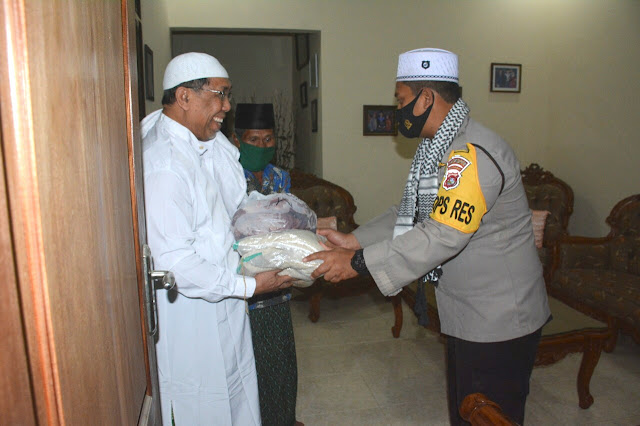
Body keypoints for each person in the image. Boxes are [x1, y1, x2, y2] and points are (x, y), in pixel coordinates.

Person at [305, 48, 550, 425]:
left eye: (401, 100)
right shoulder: (438, 147)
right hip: (470, 311)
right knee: (465, 410)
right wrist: (355, 241)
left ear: (426, 99)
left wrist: (358, 264)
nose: (397, 110)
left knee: (486, 414)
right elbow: (411, 213)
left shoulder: (470, 153)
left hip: (499, 319)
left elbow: (442, 235)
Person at [141, 52, 294, 426]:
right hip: (193, 316)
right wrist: (248, 285)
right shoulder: (164, 163)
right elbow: (175, 261)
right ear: (184, 97)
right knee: (205, 405)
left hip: (226, 304)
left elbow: (240, 205)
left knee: (238, 396)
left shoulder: (213, 144)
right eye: (219, 94)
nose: (227, 106)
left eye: (228, 95)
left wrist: (291, 222)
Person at [231, 103, 302, 426]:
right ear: (237, 140)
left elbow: (289, 222)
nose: (262, 146)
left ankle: (282, 419)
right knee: (249, 364)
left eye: (268, 139)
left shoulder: (280, 177)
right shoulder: (228, 175)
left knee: (281, 361)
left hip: (279, 282)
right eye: (254, 139)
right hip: (242, 287)